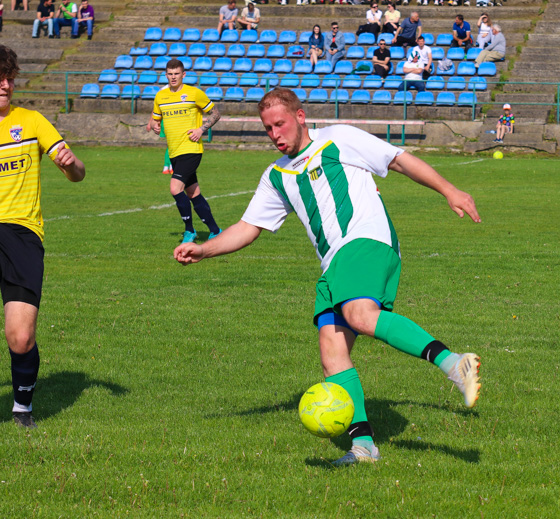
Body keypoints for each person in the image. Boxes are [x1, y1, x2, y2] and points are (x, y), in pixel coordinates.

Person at [173, 88, 482, 466]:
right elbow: (248, 227)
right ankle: (364, 448)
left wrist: (449, 190)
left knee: (359, 314)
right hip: (334, 262)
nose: (275, 134)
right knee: (331, 352)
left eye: (280, 124)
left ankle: (454, 364)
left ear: (300, 117)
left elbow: (398, 160)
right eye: (268, 128)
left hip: (367, 239)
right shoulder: (276, 176)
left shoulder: (339, 138)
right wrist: (204, 249)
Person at [0, 45, 86, 429]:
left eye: (9, 78)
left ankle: (22, 407)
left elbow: (77, 173)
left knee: (20, 336)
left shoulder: (31, 121)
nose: (4, 85)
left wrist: (72, 165)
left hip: (21, 233)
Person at [145, 59, 222, 244]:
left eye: (176, 74)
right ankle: (215, 230)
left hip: (191, 149)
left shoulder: (194, 93)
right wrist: (155, 126)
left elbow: (216, 113)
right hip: (174, 151)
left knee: (175, 188)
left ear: (183, 75)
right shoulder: (160, 97)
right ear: (166, 75)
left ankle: (189, 231)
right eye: (170, 74)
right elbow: (156, 119)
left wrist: (201, 129)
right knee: (193, 193)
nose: (173, 77)